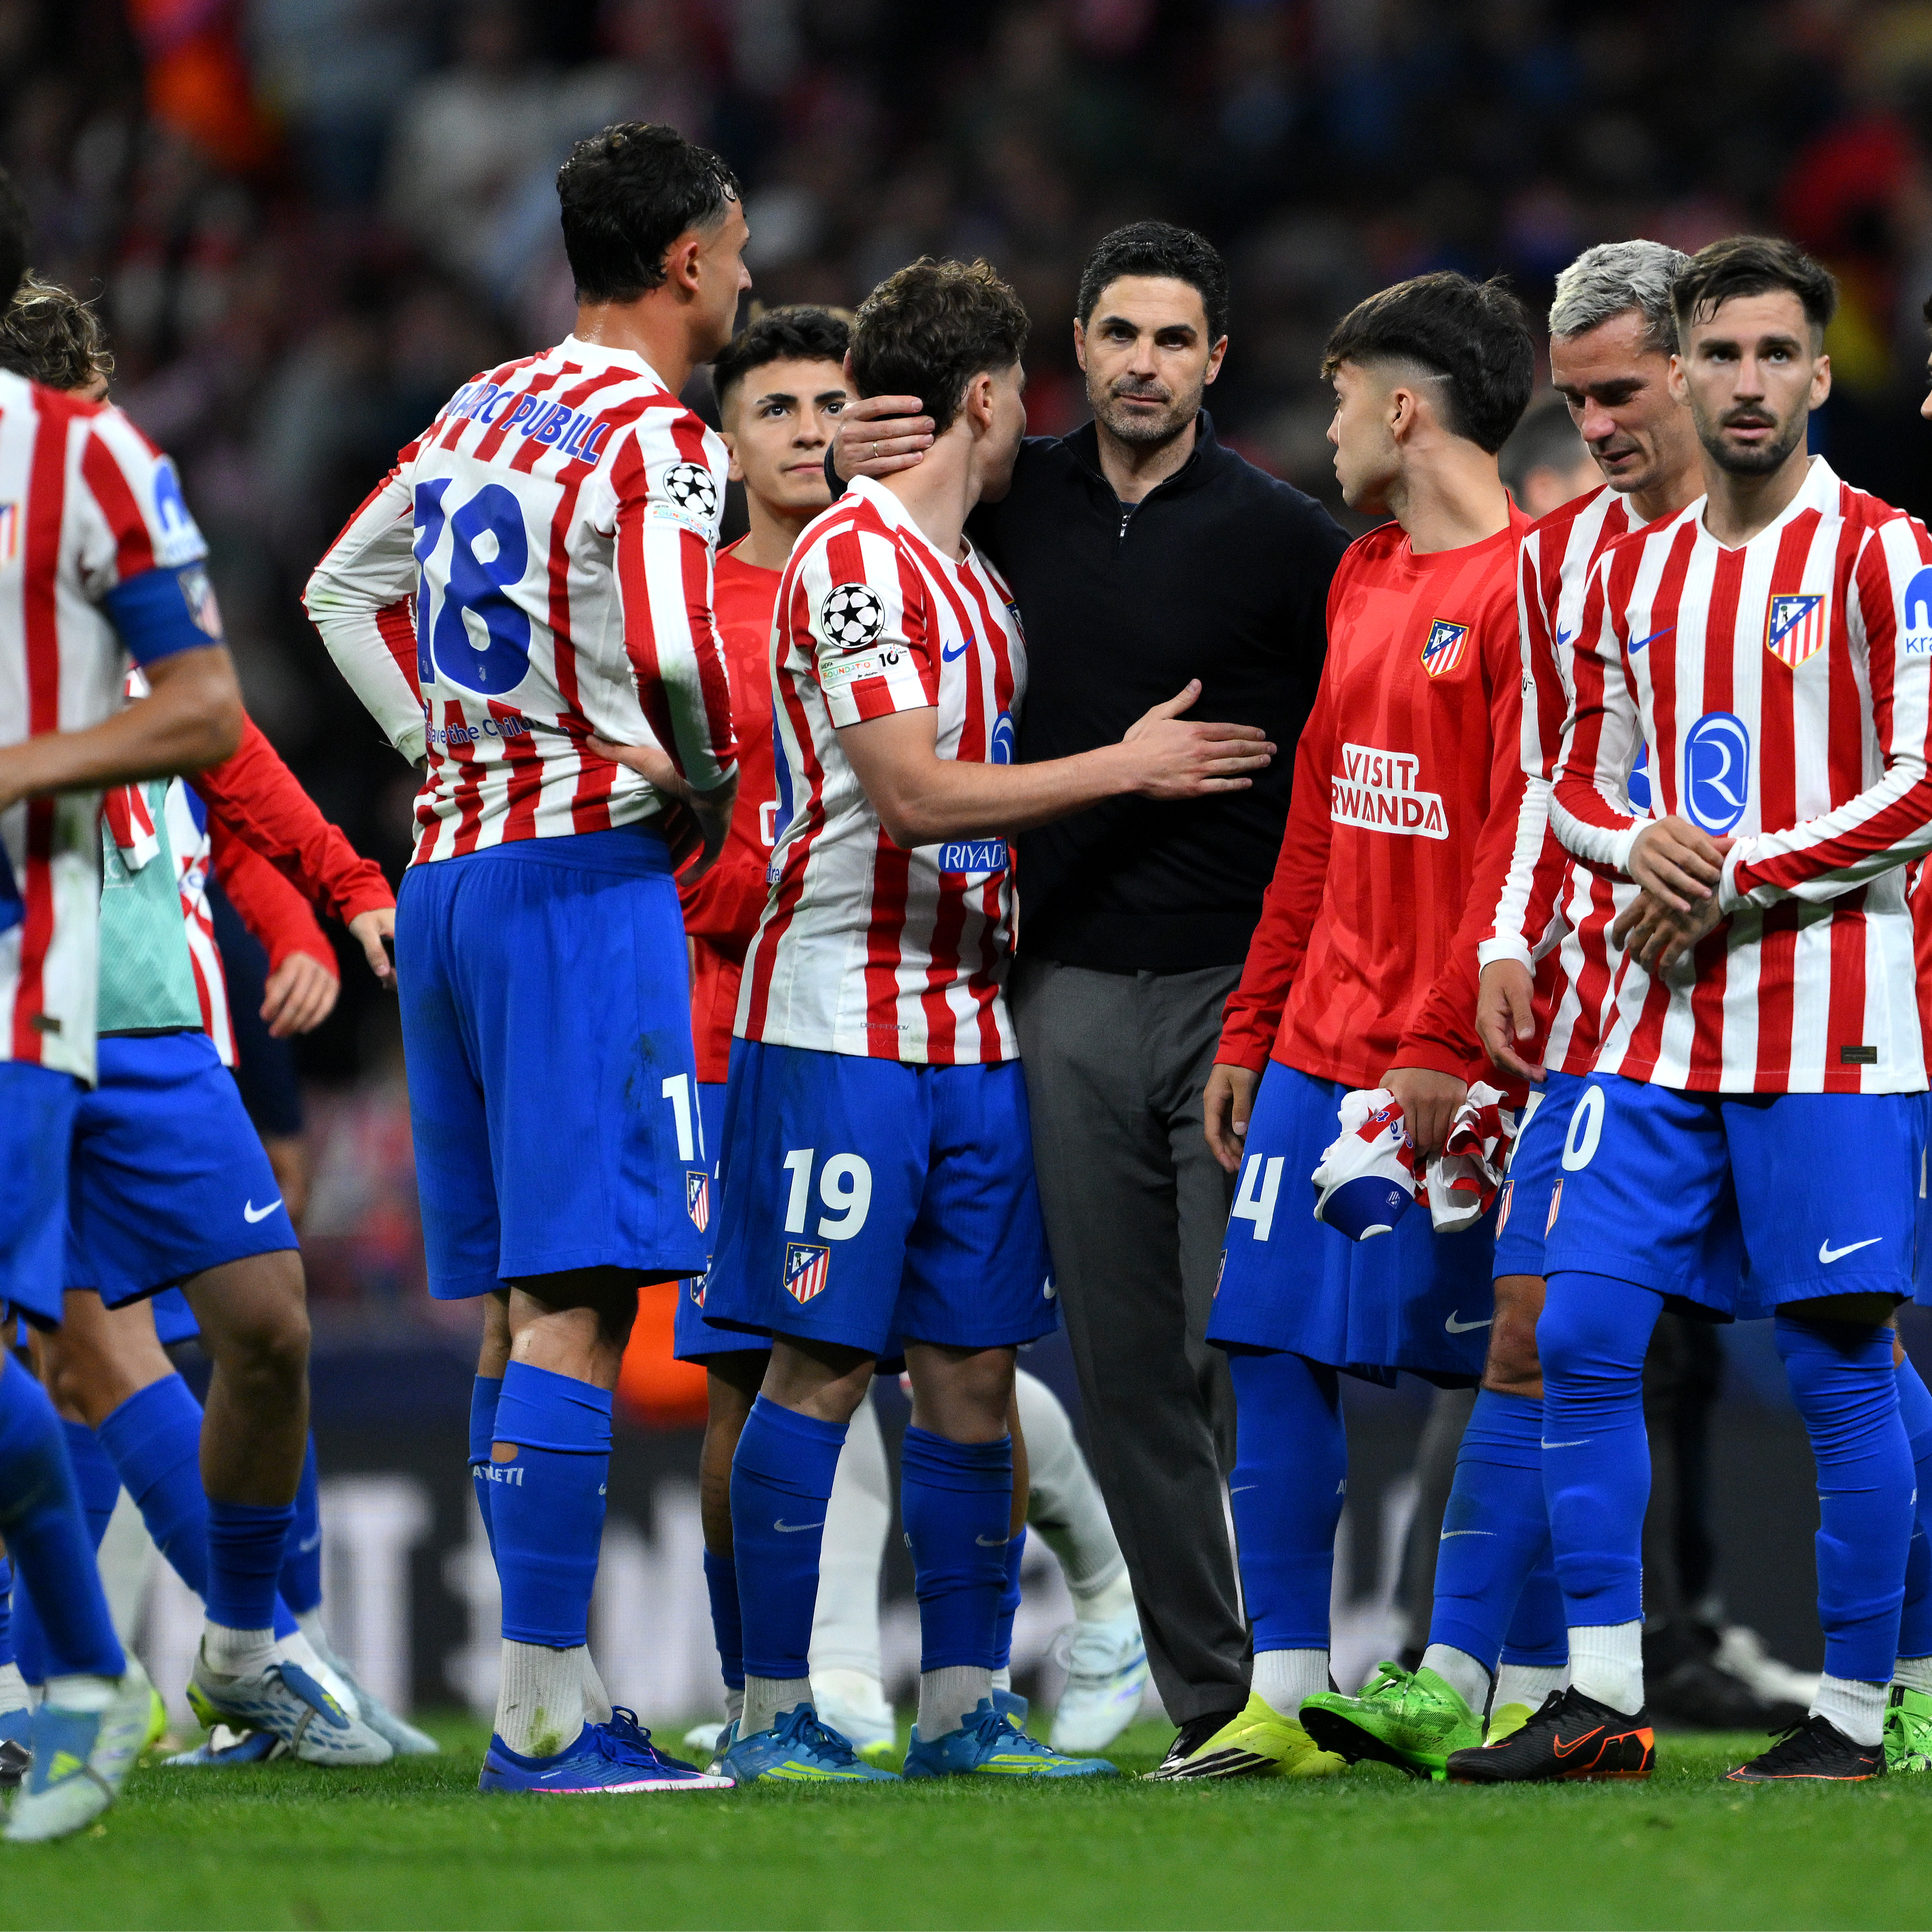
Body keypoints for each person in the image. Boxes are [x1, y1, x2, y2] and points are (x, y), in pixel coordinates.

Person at [697, 254, 1272, 1785]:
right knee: (820, 1364)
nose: (1037, 417)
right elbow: (910, 793)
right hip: (838, 1016)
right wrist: (1128, 768)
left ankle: (962, 1707)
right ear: (983, 397)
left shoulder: (981, 580)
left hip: (969, 1025)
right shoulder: (856, 560)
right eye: (1020, 388)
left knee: (967, 1373)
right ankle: (768, 1707)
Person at [833, 223, 1346, 1774]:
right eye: (1119, 334)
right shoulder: (1013, 498)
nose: (1143, 364)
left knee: (1234, 1347)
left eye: (1174, 339)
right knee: (1124, 1374)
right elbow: (864, 525)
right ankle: (1215, 1704)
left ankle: (1289, 1665)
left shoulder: (1286, 540)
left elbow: (1367, 740)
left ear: (1217, 361)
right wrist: (849, 452)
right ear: (1076, 348)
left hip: (1233, 996)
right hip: (1055, 991)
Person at [308, 120, 749, 1797]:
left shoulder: (480, 406)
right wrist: (698, 775)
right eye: (738, 247)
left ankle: (544, 1692)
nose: (748, 273)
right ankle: (547, 1728)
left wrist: (444, 748)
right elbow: (670, 645)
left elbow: (338, 591)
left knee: (515, 1299)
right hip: (576, 885)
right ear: (690, 258)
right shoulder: (662, 436)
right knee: (580, 1293)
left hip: (449, 882)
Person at [1454, 235, 1931, 1786]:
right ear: (1684, 367)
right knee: (1583, 1328)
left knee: (1840, 1363)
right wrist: (1629, 849)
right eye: (1720, 354)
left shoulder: (1885, 554)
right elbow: (1578, 781)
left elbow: (1922, 784)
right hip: (1653, 1018)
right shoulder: (1626, 568)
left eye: (1776, 353)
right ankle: (1601, 1697)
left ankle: (1857, 1714)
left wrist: (1733, 870)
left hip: (1831, 1021)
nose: (1746, 383)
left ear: (1820, 374)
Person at [1199, 271, 1535, 1782]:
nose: (1325, 430)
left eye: (1339, 400)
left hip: (1461, 1060)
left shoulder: (1531, 591)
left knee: (1495, 1365)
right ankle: (1286, 1692)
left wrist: (1447, 1041)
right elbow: (1322, 824)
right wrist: (1253, 1023)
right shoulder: (1363, 574)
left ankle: (1503, 1679)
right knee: (1266, 1343)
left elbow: (1515, 846)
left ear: (1403, 409)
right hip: (1319, 1044)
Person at [0, 170, 248, 1838]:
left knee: (81, 1339)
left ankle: (83, 1671)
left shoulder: (86, 459)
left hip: (24, 978)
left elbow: (208, 710)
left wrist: (21, 765)